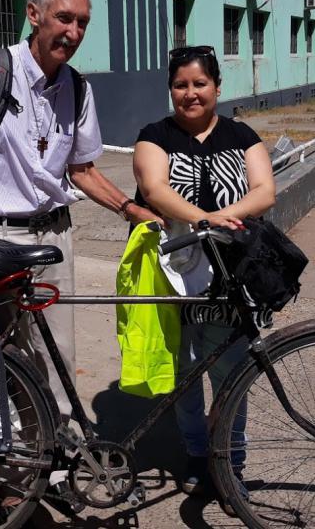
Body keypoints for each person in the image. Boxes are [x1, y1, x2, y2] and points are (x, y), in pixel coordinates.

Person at [0, 0, 161, 420]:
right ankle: (11, 479)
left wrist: (135, 211)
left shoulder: (78, 88)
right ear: (33, 15)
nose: (73, 33)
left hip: (54, 236)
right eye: (64, 18)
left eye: (82, 24)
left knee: (57, 359)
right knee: (0, 360)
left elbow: (82, 171)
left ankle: (57, 466)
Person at [131, 45, 276, 495]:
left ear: (216, 86)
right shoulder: (155, 135)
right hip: (172, 272)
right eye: (180, 85)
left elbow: (265, 191)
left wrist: (222, 218)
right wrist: (204, 220)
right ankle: (196, 452)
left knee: (232, 372)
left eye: (199, 84)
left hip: (232, 275)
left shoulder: (241, 134)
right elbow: (153, 188)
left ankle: (232, 462)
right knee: (184, 370)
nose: (190, 94)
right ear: (170, 89)